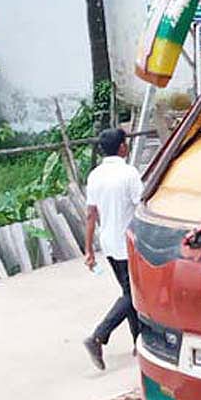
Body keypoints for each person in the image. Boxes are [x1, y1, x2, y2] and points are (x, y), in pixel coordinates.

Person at [82, 128, 143, 371]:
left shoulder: (95, 175)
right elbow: (142, 205)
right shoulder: (129, 173)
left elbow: (90, 214)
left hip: (107, 242)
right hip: (128, 242)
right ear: (121, 147)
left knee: (129, 292)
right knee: (133, 295)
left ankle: (138, 342)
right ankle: (98, 336)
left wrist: (88, 249)